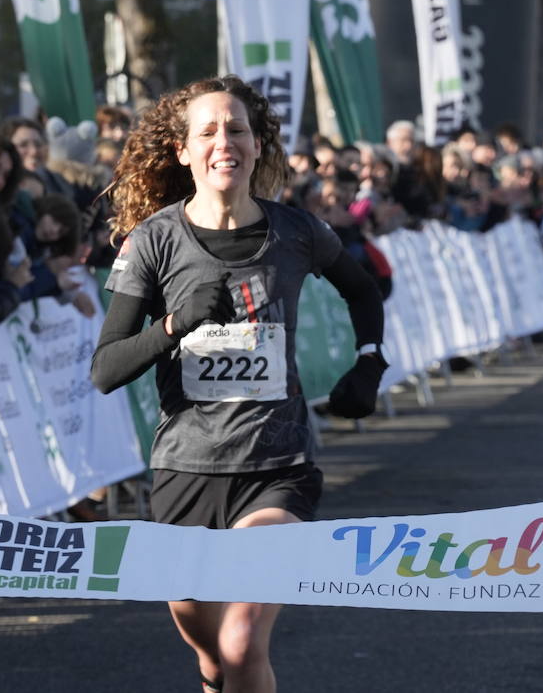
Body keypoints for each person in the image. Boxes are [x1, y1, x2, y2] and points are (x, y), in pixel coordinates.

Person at [91, 76, 388, 693]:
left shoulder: (298, 232)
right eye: (207, 131)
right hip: (186, 473)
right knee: (210, 652)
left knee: (242, 637)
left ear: (257, 146)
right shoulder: (154, 241)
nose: (223, 142)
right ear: (182, 151)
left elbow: (363, 288)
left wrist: (369, 361)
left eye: (236, 130)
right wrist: (173, 325)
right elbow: (106, 370)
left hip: (277, 465)